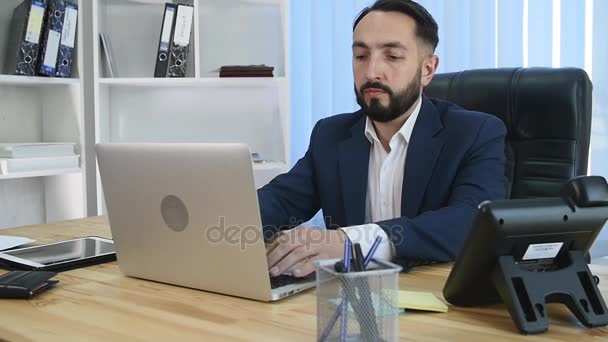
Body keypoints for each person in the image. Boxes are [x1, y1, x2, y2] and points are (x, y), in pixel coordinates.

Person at [259, 0, 506, 278]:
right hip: (352, 303)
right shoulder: (331, 135)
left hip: (440, 299)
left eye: (392, 56)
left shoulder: (475, 133)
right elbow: (280, 201)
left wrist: (349, 242)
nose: (371, 71)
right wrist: (217, 219)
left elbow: (474, 221)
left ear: (427, 69)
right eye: (361, 56)